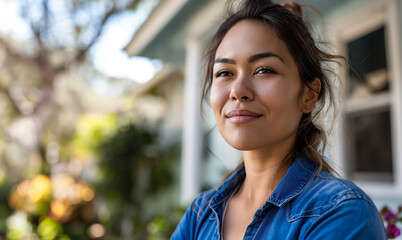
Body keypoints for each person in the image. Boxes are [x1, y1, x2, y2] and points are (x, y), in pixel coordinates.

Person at [171, 0, 387, 239]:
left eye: (264, 70)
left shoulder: (340, 212)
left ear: (308, 94)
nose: (238, 90)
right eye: (225, 73)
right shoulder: (199, 214)